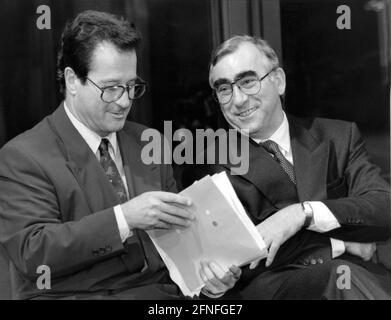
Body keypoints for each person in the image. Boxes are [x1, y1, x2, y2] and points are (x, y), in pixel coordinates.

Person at [0, 10, 239, 300]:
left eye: (131, 86)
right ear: (73, 80)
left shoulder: (147, 142)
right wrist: (124, 218)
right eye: (112, 88)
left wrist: (206, 278)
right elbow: (33, 253)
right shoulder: (24, 156)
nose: (125, 101)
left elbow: (176, 244)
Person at [183, 35, 391, 299]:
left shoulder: (338, 136)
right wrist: (340, 243)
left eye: (248, 82)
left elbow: (383, 208)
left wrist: (301, 213)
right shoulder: (208, 165)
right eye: (224, 89)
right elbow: (244, 262)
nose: (237, 100)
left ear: (278, 81)